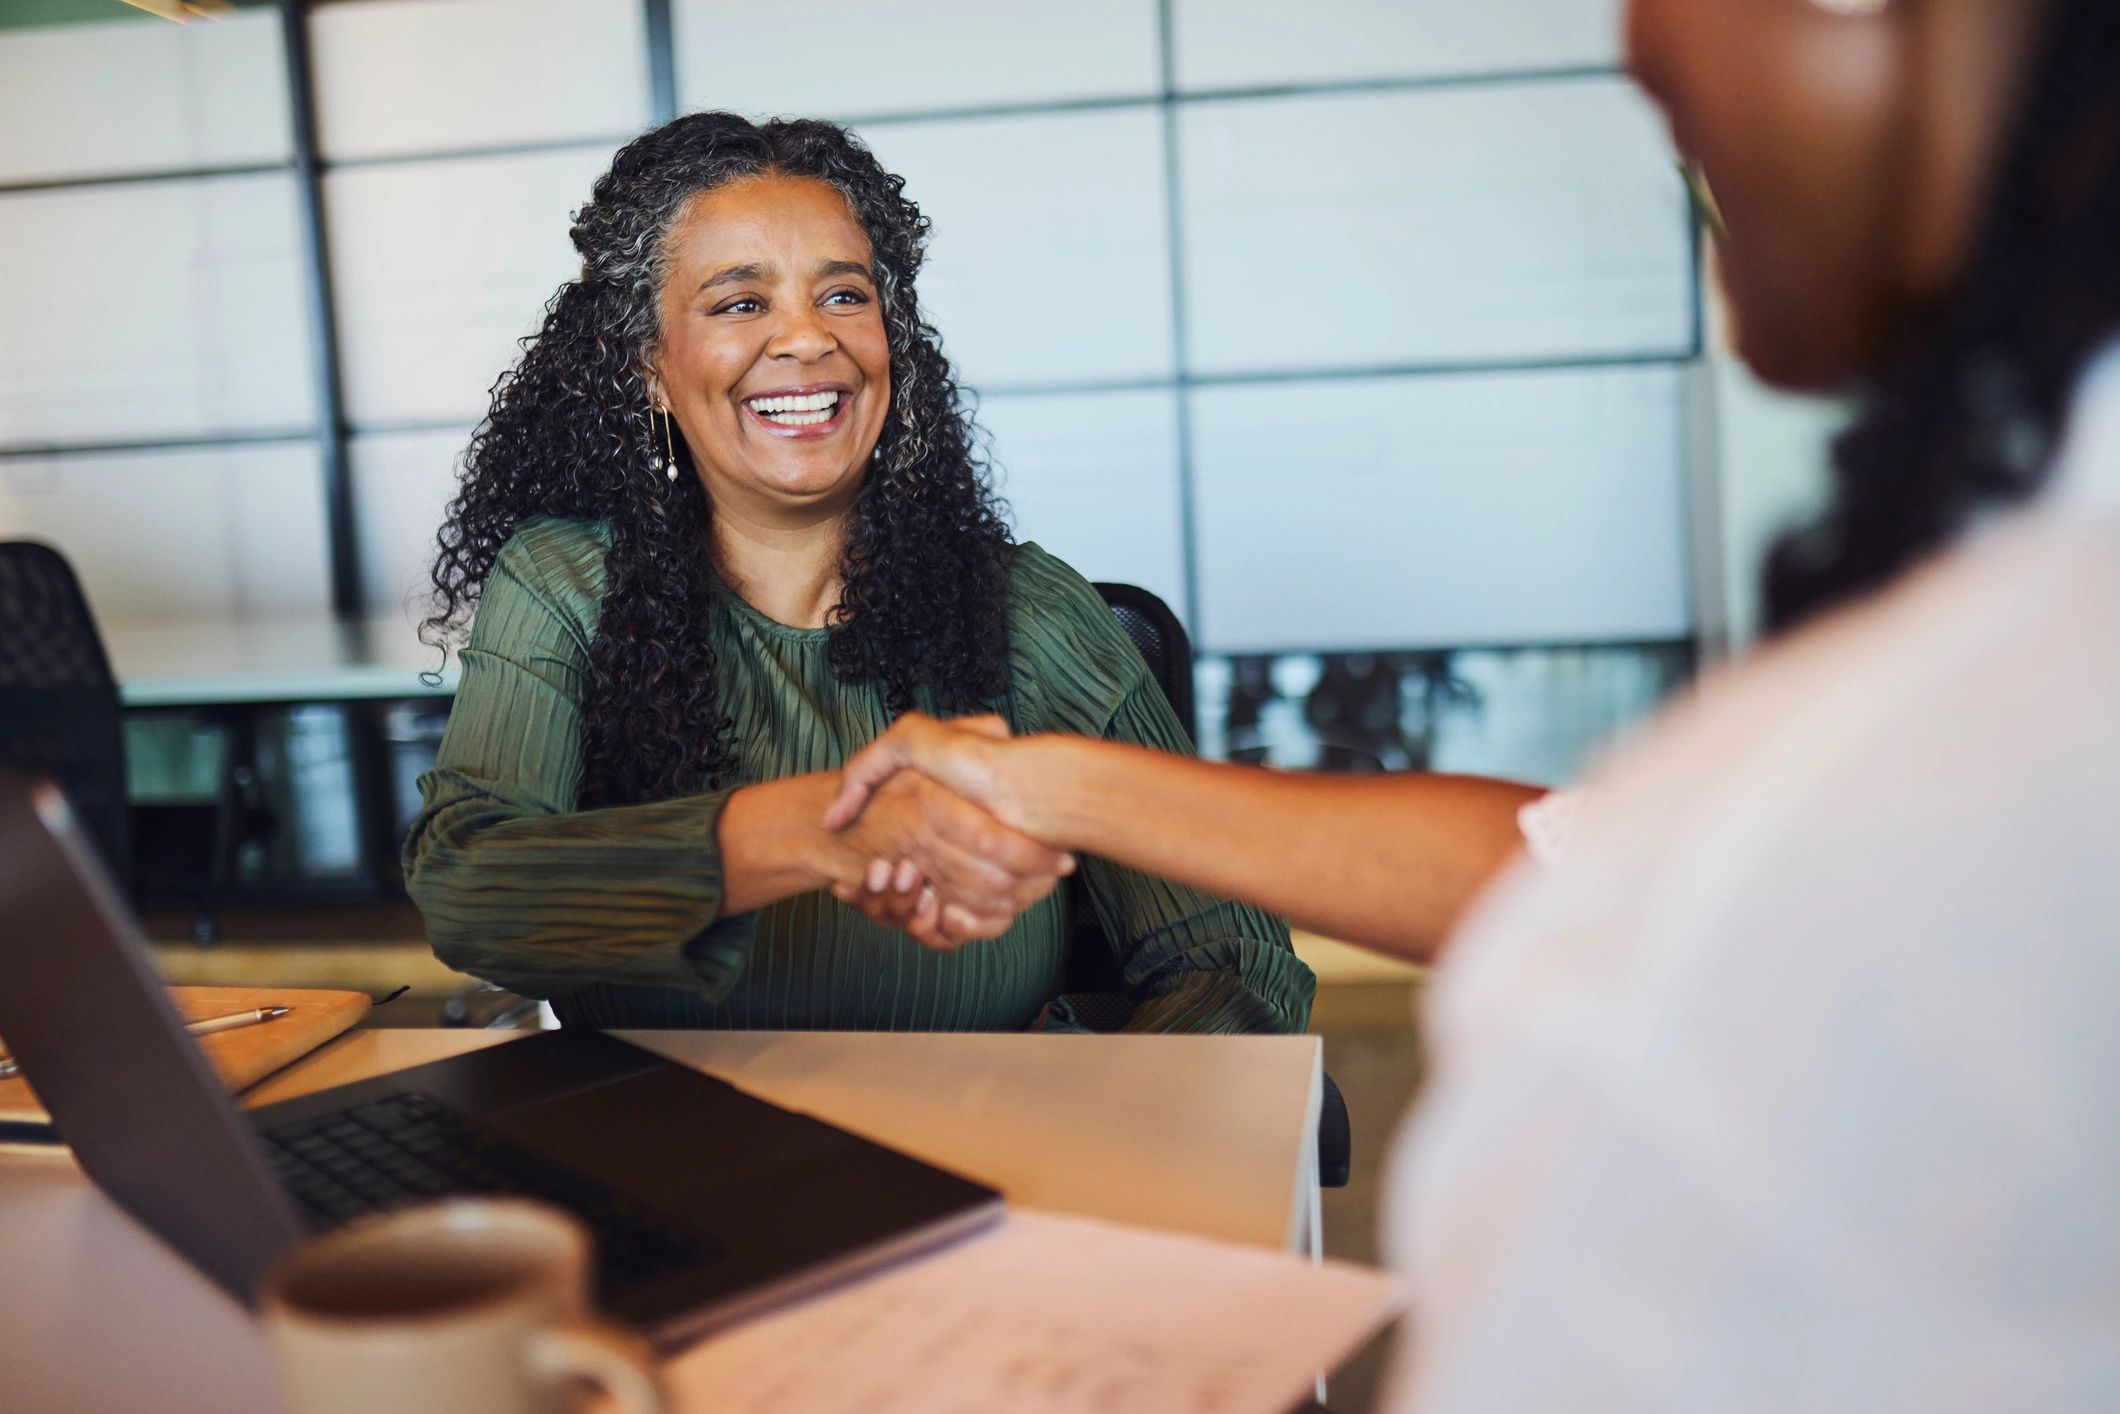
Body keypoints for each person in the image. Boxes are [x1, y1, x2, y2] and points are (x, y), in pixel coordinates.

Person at [827, 0, 2120, 1403]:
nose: (1636, 48)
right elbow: (1594, 855)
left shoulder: (1806, 876)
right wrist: (1055, 785)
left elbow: (1680, 891)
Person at [404, 113, 1313, 1036]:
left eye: (844, 297)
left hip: (980, 1153)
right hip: (654, 1147)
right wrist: (819, 830)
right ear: (649, 368)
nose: (807, 339)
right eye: (740, 303)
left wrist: (1088, 1126)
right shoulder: (565, 585)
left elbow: (1236, 963)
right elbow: (470, 889)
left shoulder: (1030, 614)